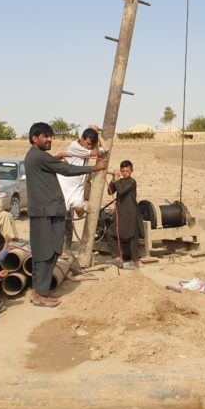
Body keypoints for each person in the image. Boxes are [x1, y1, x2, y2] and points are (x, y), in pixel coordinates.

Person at [25, 122, 107, 308]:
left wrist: (55, 158)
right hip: (46, 213)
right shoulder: (39, 156)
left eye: (50, 136)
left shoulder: (36, 157)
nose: (49, 139)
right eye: (45, 136)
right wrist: (95, 168)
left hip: (48, 211)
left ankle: (39, 291)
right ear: (34, 138)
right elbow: (67, 169)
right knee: (47, 253)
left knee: (47, 252)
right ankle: (40, 294)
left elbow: (52, 166)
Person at [58, 125, 106, 259]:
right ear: (82, 139)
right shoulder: (74, 146)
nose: (89, 147)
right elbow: (96, 153)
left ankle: (66, 249)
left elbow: (106, 148)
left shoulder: (87, 149)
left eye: (92, 145)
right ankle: (63, 249)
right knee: (63, 221)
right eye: (88, 144)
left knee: (76, 213)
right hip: (65, 187)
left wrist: (99, 135)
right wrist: (96, 135)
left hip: (77, 189)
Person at [105, 160, 140, 270]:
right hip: (120, 213)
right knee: (110, 233)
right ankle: (117, 258)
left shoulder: (132, 182)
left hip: (130, 213)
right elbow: (110, 191)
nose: (125, 173)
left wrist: (116, 180)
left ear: (131, 171)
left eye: (127, 171)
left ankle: (135, 262)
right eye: (123, 171)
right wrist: (113, 179)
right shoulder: (119, 181)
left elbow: (121, 191)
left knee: (132, 236)